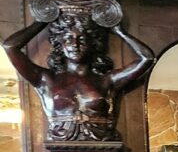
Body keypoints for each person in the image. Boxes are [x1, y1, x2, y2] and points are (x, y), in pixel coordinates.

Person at [3, 10, 154, 142]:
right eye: (68, 39)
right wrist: (42, 21)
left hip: (103, 143)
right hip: (59, 142)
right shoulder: (45, 79)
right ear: (60, 44)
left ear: (92, 44)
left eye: (82, 39)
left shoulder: (106, 80)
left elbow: (146, 58)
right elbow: (10, 47)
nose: (75, 44)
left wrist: (119, 31)